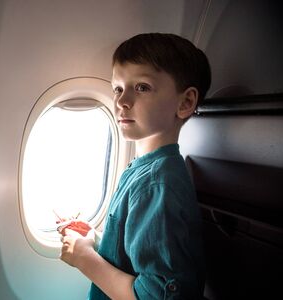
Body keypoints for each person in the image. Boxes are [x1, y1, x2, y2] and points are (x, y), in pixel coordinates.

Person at [59, 33, 210, 299]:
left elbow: (154, 295)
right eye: (118, 88)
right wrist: (96, 239)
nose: (121, 101)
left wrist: (84, 259)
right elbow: (132, 253)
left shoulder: (157, 183)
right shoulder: (143, 169)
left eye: (141, 87)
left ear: (185, 103)